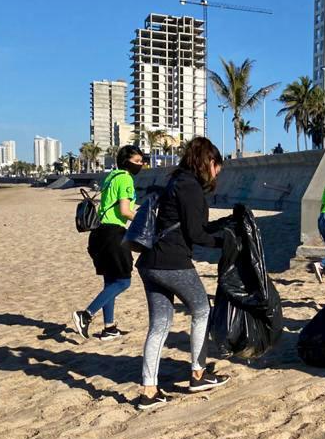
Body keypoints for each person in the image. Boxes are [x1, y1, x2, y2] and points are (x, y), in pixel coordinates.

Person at [135, 137, 231, 410]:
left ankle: (149, 391)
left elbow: (189, 226)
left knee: (159, 324)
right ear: (209, 162)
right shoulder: (190, 188)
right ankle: (198, 373)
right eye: (216, 168)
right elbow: (197, 234)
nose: (217, 174)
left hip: (150, 262)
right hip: (172, 262)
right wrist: (226, 242)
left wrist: (221, 227)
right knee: (202, 309)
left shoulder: (176, 182)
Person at [73, 145, 145, 341]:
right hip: (114, 234)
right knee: (123, 281)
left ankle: (109, 327)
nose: (141, 164)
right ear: (126, 161)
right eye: (137, 161)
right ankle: (85, 315)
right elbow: (124, 210)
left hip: (99, 234)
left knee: (110, 281)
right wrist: (145, 221)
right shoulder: (126, 178)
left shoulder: (111, 176)